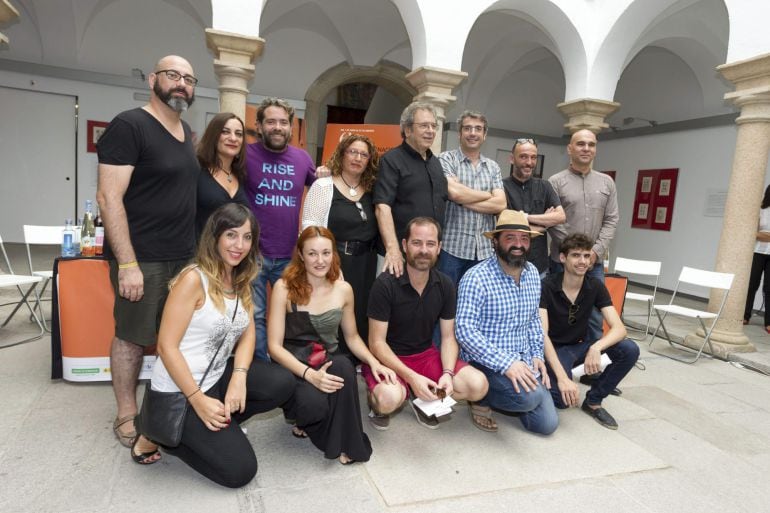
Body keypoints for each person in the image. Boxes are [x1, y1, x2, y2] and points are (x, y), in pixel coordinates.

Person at [130, 204, 295, 488]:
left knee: (281, 382)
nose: (239, 245)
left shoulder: (241, 276)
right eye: (231, 235)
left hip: (217, 377)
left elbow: (248, 332)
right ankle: (160, 433)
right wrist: (198, 400)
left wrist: (240, 377)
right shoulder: (193, 279)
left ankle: (212, 424)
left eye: (247, 237)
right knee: (240, 471)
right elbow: (167, 347)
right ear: (215, 236)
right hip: (182, 391)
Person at [96, 55, 199, 449]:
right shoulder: (130, 125)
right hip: (143, 258)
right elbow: (108, 197)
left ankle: (168, 403)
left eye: (188, 79)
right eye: (173, 75)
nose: (181, 84)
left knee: (175, 336)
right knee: (132, 337)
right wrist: (127, 264)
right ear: (154, 78)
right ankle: (126, 412)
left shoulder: (183, 130)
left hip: (183, 257)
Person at [267, 226, 397, 465]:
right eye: (312, 253)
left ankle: (347, 443)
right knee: (313, 407)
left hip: (327, 360)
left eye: (326, 253)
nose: (320, 260)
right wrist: (309, 375)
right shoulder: (283, 288)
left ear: (334, 254)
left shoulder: (343, 289)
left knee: (343, 366)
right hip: (296, 365)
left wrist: (374, 362)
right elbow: (274, 347)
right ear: (301, 255)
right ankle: (304, 419)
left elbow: (353, 337)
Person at [365, 217, 490, 431]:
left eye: (430, 244)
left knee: (478, 385)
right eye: (417, 243)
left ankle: (422, 399)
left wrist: (447, 374)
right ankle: (385, 399)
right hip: (388, 359)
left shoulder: (445, 284)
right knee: (387, 400)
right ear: (404, 245)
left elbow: (449, 337)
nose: (424, 250)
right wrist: (412, 378)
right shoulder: (385, 284)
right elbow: (376, 344)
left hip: (425, 355)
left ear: (439, 248)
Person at [455, 210, 558, 435]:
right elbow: (465, 331)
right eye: (510, 238)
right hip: (485, 362)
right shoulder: (476, 277)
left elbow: (532, 320)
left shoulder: (532, 274)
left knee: (547, 425)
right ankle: (480, 399)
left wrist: (537, 356)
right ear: (495, 241)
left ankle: (519, 394)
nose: (518, 244)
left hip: (522, 356)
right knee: (529, 397)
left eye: (524, 238)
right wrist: (507, 364)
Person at [540, 233, 639, 429]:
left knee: (629, 349)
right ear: (563, 258)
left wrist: (596, 347)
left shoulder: (594, 285)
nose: (582, 261)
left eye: (586, 256)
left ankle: (593, 401)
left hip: (579, 347)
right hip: (552, 350)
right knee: (563, 400)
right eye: (576, 255)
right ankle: (546, 381)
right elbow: (542, 336)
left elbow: (620, 329)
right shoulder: (546, 286)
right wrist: (562, 378)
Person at [245, 97, 318, 361]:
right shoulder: (245, 155)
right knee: (255, 315)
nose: (278, 127)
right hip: (253, 254)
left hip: (289, 256)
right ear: (260, 125)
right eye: (271, 121)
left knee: (289, 314)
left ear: (292, 127)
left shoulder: (302, 158)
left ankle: (288, 365)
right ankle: (264, 367)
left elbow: (323, 189)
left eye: (284, 122)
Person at [302, 134, 379, 344]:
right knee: (334, 314)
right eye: (353, 152)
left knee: (362, 312)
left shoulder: (373, 190)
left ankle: (358, 363)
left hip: (367, 263)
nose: (358, 158)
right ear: (342, 154)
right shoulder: (323, 186)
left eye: (364, 154)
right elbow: (309, 230)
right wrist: (330, 265)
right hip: (334, 262)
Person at [548, 129, 618, 343]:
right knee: (559, 312)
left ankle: (593, 362)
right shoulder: (555, 182)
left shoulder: (607, 183)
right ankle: (559, 358)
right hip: (562, 262)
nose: (586, 148)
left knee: (595, 315)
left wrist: (593, 253)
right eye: (580, 144)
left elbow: (612, 219)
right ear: (570, 149)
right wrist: (573, 253)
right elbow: (552, 221)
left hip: (594, 263)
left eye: (591, 144)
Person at [374, 102, 448, 277]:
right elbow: (382, 207)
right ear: (407, 130)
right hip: (398, 258)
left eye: (433, 126)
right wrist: (393, 249)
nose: (430, 131)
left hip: (427, 258)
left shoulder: (435, 163)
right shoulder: (391, 160)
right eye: (424, 125)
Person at [437, 110, 505, 285]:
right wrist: (487, 195)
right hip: (451, 249)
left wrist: (463, 199)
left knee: (478, 304)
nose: (472, 133)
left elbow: (500, 204)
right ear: (459, 133)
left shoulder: (493, 167)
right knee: (448, 304)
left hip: (484, 251)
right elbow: (454, 193)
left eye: (478, 129)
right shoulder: (446, 159)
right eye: (467, 128)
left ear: (484, 135)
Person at [502, 138, 565, 275]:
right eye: (523, 157)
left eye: (533, 157)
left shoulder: (545, 186)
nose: (529, 162)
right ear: (512, 159)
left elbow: (560, 216)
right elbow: (507, 229)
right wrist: (545, 224)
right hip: (507, 266)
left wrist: (526, 217)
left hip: (539, 268)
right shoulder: (501, 187)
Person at [195, 112, 250, 237]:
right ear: (213, 135)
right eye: (225, 132)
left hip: (233, 252)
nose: (233, 138)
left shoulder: (241, 175)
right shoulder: (197, 169)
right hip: (200, 252)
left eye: (239, 134)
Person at [743, 184, 770, 333]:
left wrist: (763, 235)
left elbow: (759, 234)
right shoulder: (760, 209)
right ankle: (745, 315)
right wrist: (764, 235)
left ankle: (769, 322)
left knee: (769, 288)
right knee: (752, 283)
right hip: (758, 251)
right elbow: (752, 232)